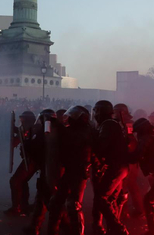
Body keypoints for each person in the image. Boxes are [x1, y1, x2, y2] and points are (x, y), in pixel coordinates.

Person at [47, 106, 93, 235]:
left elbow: (73, 139)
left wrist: (58, 127)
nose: (69, 120)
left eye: (72, 118)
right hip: (69, 171)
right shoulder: (73, 130)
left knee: (74, 205)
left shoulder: (85, 132)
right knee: (56, 202)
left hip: (79, 172)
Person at [92, 100, 130, 235]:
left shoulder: (108, 125)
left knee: (102, 198)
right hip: (119, 166)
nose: (95, 114)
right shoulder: (112, 124)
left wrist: (91, 141)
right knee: (111, 199)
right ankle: (112, 230)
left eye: (96, 111)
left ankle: (118, 228)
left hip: (116, 166)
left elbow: (101, 148)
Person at [24, 110, 62, 235]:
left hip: (50, 171)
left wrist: (27, 143)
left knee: (49, 201)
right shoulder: (59, 132)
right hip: (53, 170)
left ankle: (62, 227)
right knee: (41, 199)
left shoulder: (44, 133)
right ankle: (35, 226)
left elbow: (36, 151)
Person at [6, 111, 39, 216]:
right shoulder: (30, 129)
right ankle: (24, 206)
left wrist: (16, 136)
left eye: (23, 120)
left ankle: (17, 207)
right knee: (22, 181)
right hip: (30, 160)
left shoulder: (33, 131)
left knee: (15, 181)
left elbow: (20, 138)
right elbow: (20, 132)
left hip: (31, 161)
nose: (22, 122)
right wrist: (13, 128)